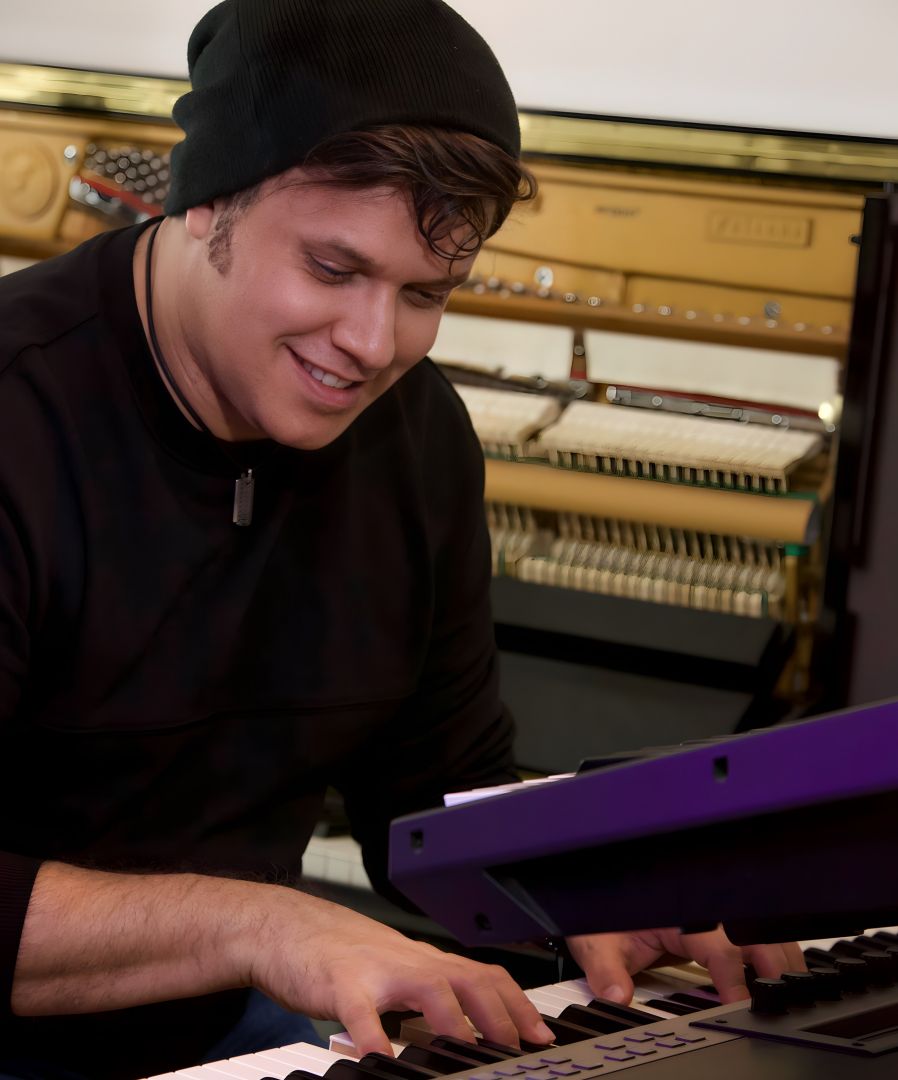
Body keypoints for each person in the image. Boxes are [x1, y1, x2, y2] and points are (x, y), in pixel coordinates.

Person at [0, 1, 804, 1077]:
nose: (373, 345)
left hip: (211, 1031)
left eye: (426, 293)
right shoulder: (17, 415)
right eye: (333, 270)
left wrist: (596, 891)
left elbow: (432, 792)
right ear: (205, 205)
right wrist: (260, 926)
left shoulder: (414, 436)